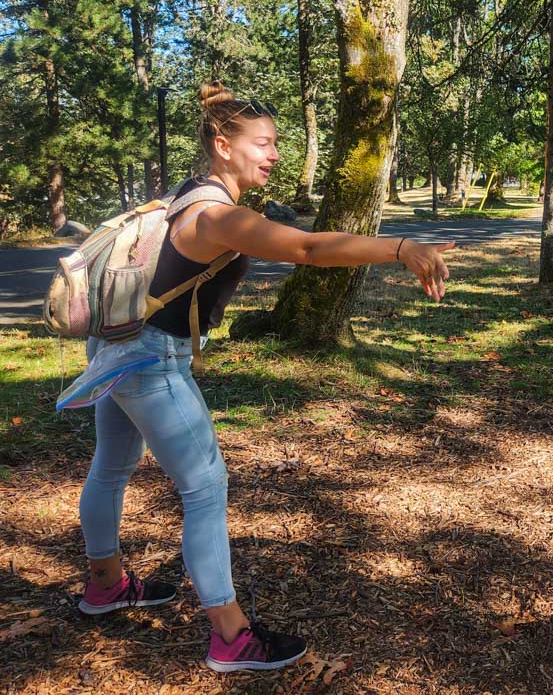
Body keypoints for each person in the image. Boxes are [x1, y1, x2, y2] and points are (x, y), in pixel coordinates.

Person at [76, 81, 453, 672]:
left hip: (114, 349)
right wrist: (399, 247)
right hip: (150, 359)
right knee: (204, 488)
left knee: (112, 467)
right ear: (224, 146)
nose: (274, 154)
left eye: (277, 143)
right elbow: (305, 248)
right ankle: (230, 637)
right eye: (264, 142)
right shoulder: (216, 216)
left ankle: (105, 585)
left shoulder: (186, 196)